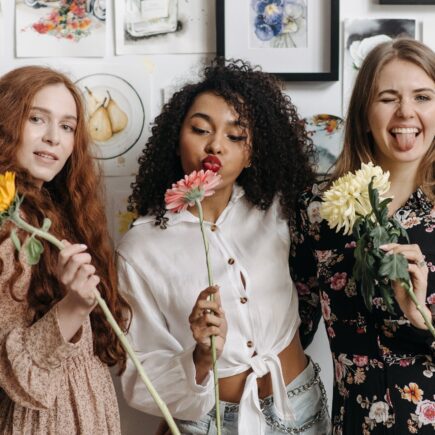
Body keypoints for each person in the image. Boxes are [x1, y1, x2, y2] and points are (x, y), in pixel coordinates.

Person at [117, 60, 331, 434]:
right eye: (201, 129)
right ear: (176, 137)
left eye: (236, 136)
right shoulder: (141, 247)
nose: (216, 144)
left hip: (299, 408)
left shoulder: (281, 211)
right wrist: (200, 356)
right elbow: (140, 376)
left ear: (252, 153)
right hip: (211, 422)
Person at [290, 38, 435, 434]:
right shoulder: (316, 211)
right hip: (352, 424)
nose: (406, 112)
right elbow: (291, 330)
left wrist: (420, 316)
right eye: (388, 98)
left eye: (423, 96)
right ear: (363, 113)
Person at [0, 65, 129, 434]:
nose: (54, 137)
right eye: (37, 119)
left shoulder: (60, 212)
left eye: (68, 126)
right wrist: (73, 306)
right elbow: (16, 375)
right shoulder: (8, 229)